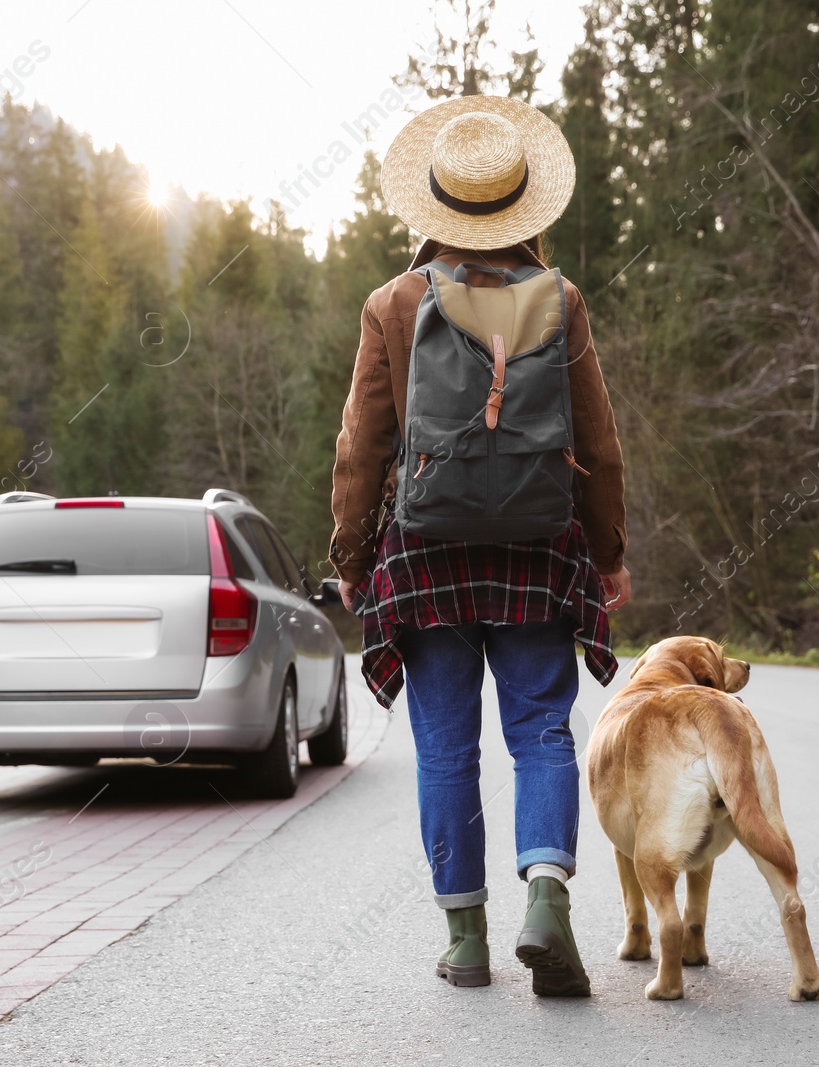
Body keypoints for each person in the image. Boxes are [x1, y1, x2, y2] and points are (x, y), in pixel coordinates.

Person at [328, 94, 630, 997]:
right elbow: (600, 442)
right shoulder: (559, 298)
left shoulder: (393, 302)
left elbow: (361, 445)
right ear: (523, 201)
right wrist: (607, 550)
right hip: (539, 544)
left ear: (433, 203)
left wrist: (351, 559)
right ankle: (548, 898)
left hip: (424, 554)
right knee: (542, 728)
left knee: (446, 746)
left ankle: (466, 938)